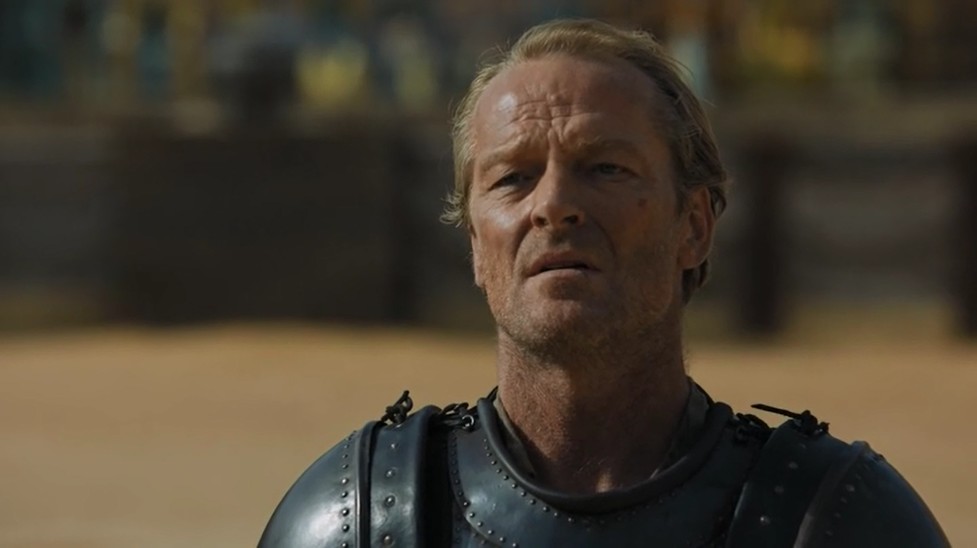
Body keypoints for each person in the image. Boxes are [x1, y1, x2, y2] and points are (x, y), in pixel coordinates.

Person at [258, 19, 948, 547]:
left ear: (694, 226)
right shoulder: (360, 521)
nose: (554, 205)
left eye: (606, 168)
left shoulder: (833, 519)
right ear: (475, 245)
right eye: (513, 177)